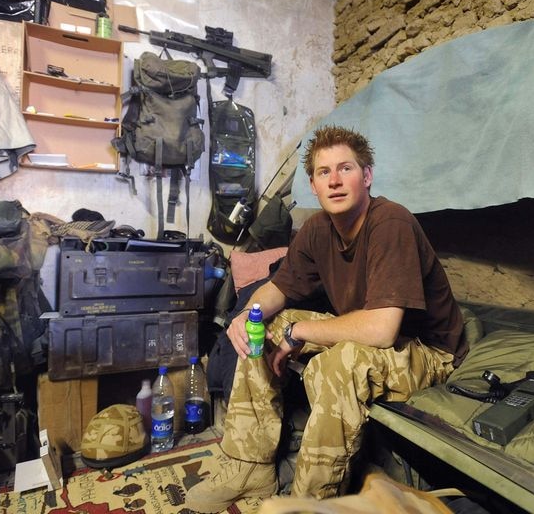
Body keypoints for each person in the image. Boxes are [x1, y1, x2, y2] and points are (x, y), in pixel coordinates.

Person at [185, 125, 468, 512]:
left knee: (338, 365)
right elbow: (278, 288)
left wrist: (300, 331)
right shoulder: (318, 228)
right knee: (262, 327)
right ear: (313, 185)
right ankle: (250, 464)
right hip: (373, 329)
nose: (334, 181)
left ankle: (309, 503)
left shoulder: (391, 223)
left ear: (366, 176)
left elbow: (383, 330)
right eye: (323, 172)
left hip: (427, 351)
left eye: (345, 169)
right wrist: (247, 315)